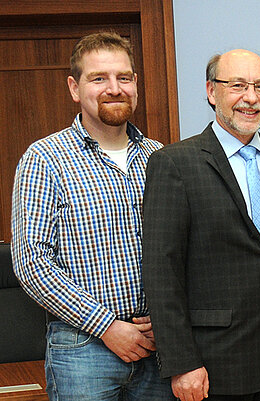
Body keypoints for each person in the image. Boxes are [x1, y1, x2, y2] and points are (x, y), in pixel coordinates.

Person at [142, 49, 260, 401]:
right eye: (238, 85)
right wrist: (182, 362)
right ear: (212, 92)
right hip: (214, 367)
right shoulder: (174, 164)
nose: (251, 98)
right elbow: (162, 274)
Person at [10, 32, 173, 401]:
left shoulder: (160, 157)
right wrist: (107, 327)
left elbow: (182, 250)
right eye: (99, 78)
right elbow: (31, 263)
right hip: (82, 349)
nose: (114, 88)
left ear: (135, 84)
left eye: (124, 77)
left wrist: (169, 319)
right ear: (74, 87)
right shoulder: (45, 159)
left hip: (158, 347)